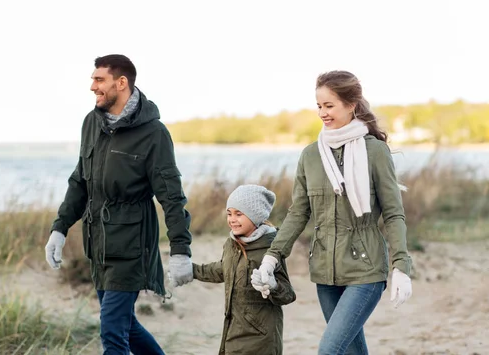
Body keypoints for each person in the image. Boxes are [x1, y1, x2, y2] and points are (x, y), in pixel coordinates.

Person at [252, 70, 413, 355]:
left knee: (329, 350)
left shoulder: (375, 151)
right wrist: (272, 256)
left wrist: (401, 266)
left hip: (366, 269)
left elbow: (393, 213)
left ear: (351, 105)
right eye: (319, 106)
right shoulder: (310, 155)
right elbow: (298, 212)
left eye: (329, 105)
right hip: (324, 271)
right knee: (351, 351)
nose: (322, 113)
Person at [44, 54, 194, 355]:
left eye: (99, 80)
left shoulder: (153, 134)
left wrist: (181, 251)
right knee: (125, 324)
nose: (92, 86)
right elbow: (79, 182)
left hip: (131, 243)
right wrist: (59, 229)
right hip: (97, 242)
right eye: (92, 79)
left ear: (121, 82)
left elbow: (172, 197)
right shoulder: (91, 122)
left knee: (112, 331)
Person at [186, 185, 296, 355]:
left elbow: (287, 295)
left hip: (261, 340)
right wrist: (192, 270)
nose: (232, 219)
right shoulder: (231, 244)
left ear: (256, 215)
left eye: (239, 214)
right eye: (229, 213)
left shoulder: (271, 250)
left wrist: (273, 286)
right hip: (232, 333)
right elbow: (222, 269)